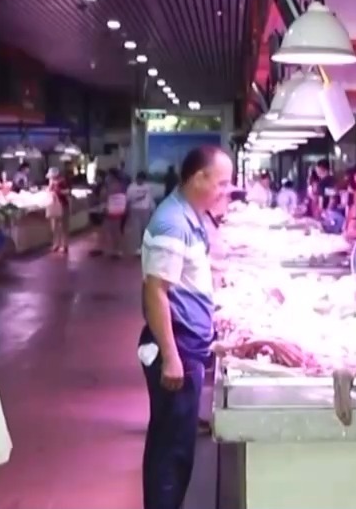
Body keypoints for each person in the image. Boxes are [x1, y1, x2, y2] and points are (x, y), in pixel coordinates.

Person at [139, 145, 230, 509]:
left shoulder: (189, 216)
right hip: (177, 345)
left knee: (177, 444)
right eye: (221, 183)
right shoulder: (173, 223)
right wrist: (171, 357)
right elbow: (155, 291)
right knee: (171, 449)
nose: (225, 191)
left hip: (188, 344)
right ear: (199, 178)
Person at [125, 170, 159, 255]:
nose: (140, 181)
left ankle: (144, 246)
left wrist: (153, 209)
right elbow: (128, 199)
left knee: (144, 229)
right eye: (139, 179)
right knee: (136, 229)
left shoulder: (147, 187)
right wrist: (137, 198)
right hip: (135, 210)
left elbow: (150, 199)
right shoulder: (131, 187)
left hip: (145, 210)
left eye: (142, 179)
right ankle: (137, 247)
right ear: (136, 178)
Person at [46, 172, 70, 254]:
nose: (50, 179)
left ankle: (64, 245)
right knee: (54, 227)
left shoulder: (62, 182)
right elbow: (49, 192)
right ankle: (56, 244)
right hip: (54, 207)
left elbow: (67, 192)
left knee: (63, 227)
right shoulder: (51, 183)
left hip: (63, 206)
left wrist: (58, 191)